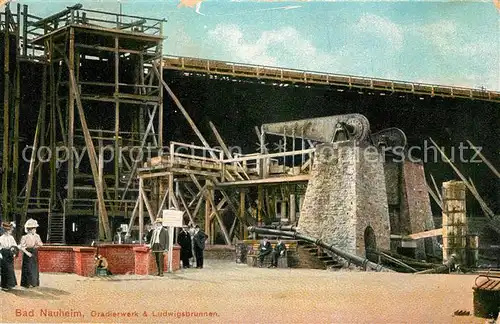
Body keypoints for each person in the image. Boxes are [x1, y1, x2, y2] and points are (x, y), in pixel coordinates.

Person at [20, 218, 43, 288]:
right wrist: (27, 252)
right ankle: (26, 283)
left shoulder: (37, 236)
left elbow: (41, 244)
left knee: (34, 268)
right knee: (27, 268)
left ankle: (34, 283)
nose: (35, 230)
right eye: (34, 229)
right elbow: (22, 247)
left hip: (34, 253)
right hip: (27, 253)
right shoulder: (24, 237)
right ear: (30, 229)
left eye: (35, 229)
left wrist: (37, 245)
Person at [0, 222, 19, 290]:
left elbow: (15, 245)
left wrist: (14, 251)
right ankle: (4, 285)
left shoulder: (11, 237)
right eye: (7, 230)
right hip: (3, 253)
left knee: (10, 269)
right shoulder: (1, 238)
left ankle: (10, 284)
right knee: (4, 269)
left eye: (9, 230)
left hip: (10, 253)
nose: (9, 232)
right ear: (4, 231)